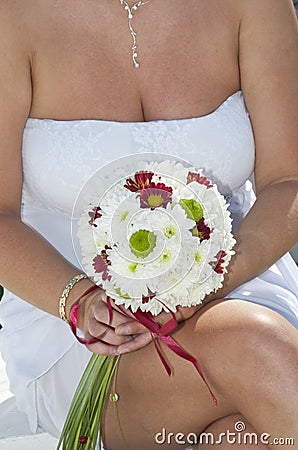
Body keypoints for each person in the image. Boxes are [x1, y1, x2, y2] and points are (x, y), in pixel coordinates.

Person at [0, 0, 297, 449]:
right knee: (255, 344)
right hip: (80, 331)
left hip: (242, 279)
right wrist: (81, 301)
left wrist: (208, 280)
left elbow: (288, 181)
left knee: (242, 438)